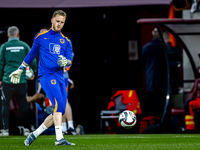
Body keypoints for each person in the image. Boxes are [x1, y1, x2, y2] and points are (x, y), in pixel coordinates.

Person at [9, 10, 75, 146]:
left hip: (60, 77)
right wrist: (20, 69)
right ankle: (59, 139)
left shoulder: (67, 41)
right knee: (57, 104)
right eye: (57, 21)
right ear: (52, 20)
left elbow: (69, 59)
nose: (59, 24)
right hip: (46, 75)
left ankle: (34, 135)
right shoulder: (41, 37)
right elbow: (31, 54)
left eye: (62, 22)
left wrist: (67, 62)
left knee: (60, 109)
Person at [0, 26, 37, 136]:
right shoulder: (24, 45)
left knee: (5, 104)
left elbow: (1, 63)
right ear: (18, 34)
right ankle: (26, 128)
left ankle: (5, 130)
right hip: (21, 80)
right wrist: (33, 72)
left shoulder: (4, 46)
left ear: (8, 36)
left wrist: (0, 79)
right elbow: (33, 59)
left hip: (7, 80)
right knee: (24, 105)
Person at [141, 28, 167, 118]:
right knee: (162, 105)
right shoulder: (165, 47)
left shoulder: (145, 48)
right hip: (162, 81)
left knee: (152, 105)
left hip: (150, 81)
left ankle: (153, 124)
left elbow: (143, 65)